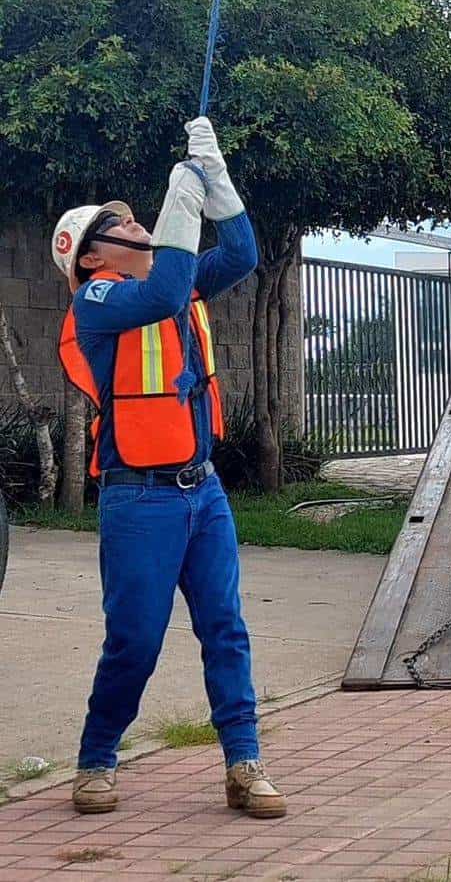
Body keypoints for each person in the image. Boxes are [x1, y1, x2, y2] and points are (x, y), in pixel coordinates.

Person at [52, 118, 285, 819]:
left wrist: (216, 180)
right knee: (135, 641)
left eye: (138, 218)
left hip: (201, 491)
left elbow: (241, 254)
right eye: (120, 226)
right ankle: (97, 760)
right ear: (92, 258)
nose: (138, 226)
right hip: (139, 500)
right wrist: (182, 198)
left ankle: (244, 763)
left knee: (226, 627)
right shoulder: (98, 302)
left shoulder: (175, 281)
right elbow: (162, 294)